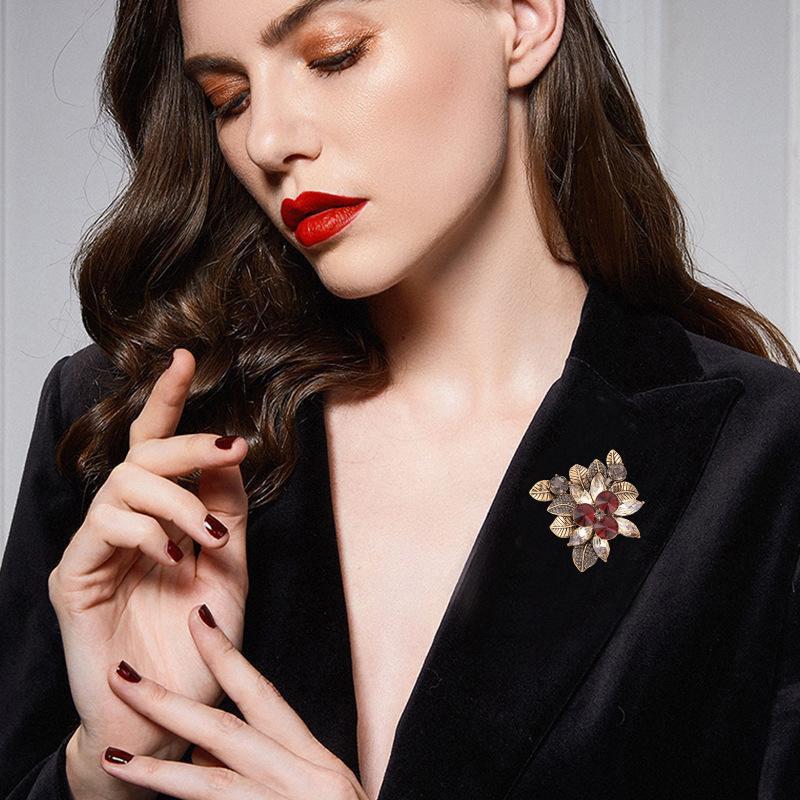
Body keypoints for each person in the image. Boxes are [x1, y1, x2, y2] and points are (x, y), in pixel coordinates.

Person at [1, 0, 799, 798]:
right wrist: (104, 767)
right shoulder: (135, 436)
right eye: (229, 100)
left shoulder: (767, 461)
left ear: (523, 19)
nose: (268, 141)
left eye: (334, 55)